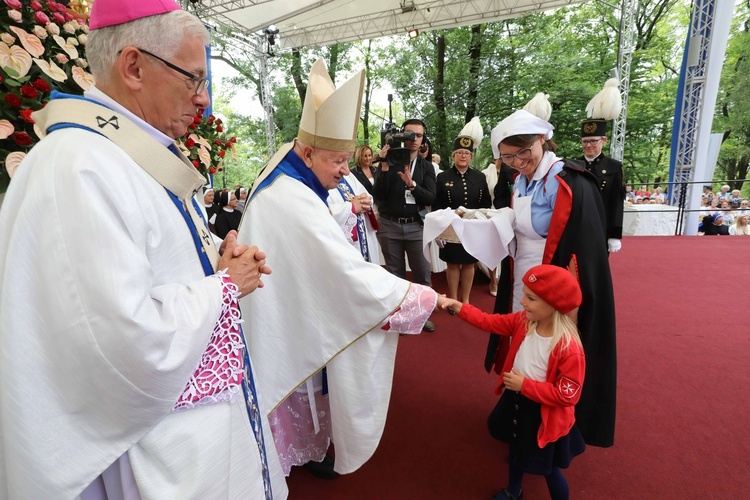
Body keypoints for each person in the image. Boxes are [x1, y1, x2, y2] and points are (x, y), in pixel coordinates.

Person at [0, 1, 285, 499]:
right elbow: (117, 341)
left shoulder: (126, 156)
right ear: (133, 66)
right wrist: (224, 288)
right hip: (134, 445)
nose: (203, 99)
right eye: (194, 79)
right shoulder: (79, 167)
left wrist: (218, 263)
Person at [237, 58, 438, 479]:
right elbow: (342, 272)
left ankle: (307, 446)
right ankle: (296, 453)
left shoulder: (292, 175)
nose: (347, 171)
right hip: (286, 315)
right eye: (339, 162)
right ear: (308, 152)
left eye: (349, 160)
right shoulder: (288, 197)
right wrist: (416, 295)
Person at [487, 107, 616, 449]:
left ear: (542, 140)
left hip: (555, 276)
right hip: (522, 273)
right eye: (507, 157)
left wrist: (568, 297)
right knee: (523, 338)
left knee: (551, 345)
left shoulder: (569, 179)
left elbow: (580, 246)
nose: (517, 162)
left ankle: (550, 419)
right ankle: (520, 404)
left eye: (523, 152)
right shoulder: (518, 180)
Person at [439, 265, 586, 500]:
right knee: (516, 449)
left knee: (549, 469)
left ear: (553, 304)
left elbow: (567, 396)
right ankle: (514, 490)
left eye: (531, 298)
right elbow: (489, 322)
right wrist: (460, 307)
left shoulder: (569, 348)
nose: (523, 302)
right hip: (517, 401)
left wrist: (524, 385)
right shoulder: (523, 321)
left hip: (543, 416)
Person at [373, 117, 437, 331]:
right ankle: (399, 317)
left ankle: (422, 314)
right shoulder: (389, 162)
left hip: (416, 226)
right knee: (395, 274)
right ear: (402, 135)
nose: (414, 139)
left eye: (418, 135)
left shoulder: (427, 167)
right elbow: (378, 194)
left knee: (421, 273)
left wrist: (412, 185)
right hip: (389, 224)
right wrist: (383, 164)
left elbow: (430, 197)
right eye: (410, 134)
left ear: (423, 139)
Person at [434, 127, 491, 303]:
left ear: (471, 156)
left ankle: (465, 301)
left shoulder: (480, 177)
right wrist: (438, 229)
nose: (463, 156)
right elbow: (437, 204)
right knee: (452, 264)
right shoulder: (443, 177)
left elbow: (486, 204)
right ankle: (453, 298)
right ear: (453, 156)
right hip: (451, 227)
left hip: (472, 228)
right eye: (459, 152)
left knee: (469, 263)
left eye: (466, 153)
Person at [580, 78, 625, 253]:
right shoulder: (573, 165)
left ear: (603, 140)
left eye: (593, 141)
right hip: (578, 228)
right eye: (585, 141)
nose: (588, 145)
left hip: (602, 228)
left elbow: (616, 203)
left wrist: (615, 234)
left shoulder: (614, 167)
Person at [328, 172, 381, 264]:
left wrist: (366, 200)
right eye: (339, 161)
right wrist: (351, 207)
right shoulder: (316, 178)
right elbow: (323, 212)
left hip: (363, 237)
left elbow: (366, 195)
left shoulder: (348, 176)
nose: (346, 170)